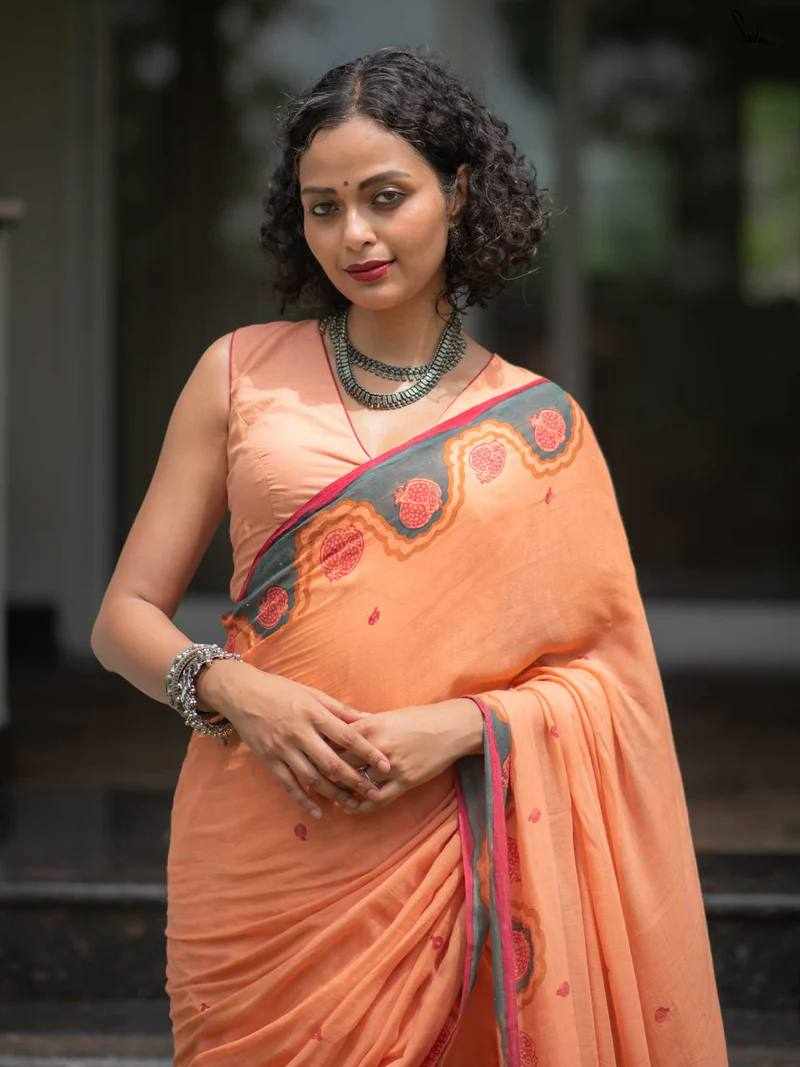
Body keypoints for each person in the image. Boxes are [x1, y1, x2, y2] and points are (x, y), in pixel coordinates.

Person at [90, 45, 728, 1067]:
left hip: (446, 856)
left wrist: (458, 727)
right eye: (323, 207)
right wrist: (238, 690)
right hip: (254, 848)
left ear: (457, 191)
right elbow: (122, 617)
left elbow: (610, 683)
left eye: (385, 197)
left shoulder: (538, 427)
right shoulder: (239, 374)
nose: (355, 234)